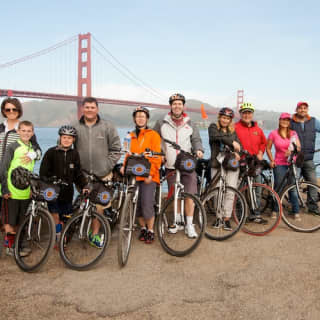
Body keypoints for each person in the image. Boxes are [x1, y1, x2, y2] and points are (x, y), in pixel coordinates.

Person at [73, 97, 121, 248]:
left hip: (103, 174)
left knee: (98, 206)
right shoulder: (75, 127)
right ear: (82, 109)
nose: (89, 110)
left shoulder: (108, 126)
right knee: (85, 202)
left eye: (92, 107)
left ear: (97, 109)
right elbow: (66, 146)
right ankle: (81, 229)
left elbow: (116, 149)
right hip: (83, 174)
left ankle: (94, 234)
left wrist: (107, 166)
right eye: (86, 107)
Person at [154, 93, 204, 238]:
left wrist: (199, 149)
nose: (177, 106)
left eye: (179, 104)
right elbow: (156, 141)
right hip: (170, 164)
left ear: (183, 106)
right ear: (171, 106)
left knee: (190, 194)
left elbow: (196, 140)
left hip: (187, 164)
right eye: (174, 103)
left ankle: (189, 224)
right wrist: (159, 154)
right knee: (174, 195)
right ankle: (176, 222)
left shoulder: (190, 123)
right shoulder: (161, 122)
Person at [39, 125, 88, 246]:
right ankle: (58, 238)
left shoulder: (74, 154)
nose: (66, 140)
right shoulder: (51, 152)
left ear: (73, 140)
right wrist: (50, 180)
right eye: (64, 137)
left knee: (65, 216)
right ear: (60, 138)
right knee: (55, 214)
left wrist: (84, 185)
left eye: (69, 138)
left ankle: (62, 234)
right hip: (53, 190)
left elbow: (78, 173)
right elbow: (43, 173)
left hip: (68, 190)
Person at [120, 107, 161, 244]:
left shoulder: (154, 135)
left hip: (149, 175)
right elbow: (127, 153)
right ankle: (142, 228)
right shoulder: (129, 135)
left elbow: (156, 157)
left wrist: (152, 173)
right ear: (134, 118)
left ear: (147, 118)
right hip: (134, 173)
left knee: (147, 202)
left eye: (143, 116)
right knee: (135, 204)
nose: (140, 118)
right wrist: (124, 166)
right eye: (137, 116)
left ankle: (150, 230)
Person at [0, 121, 38, 256]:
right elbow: (3, 168)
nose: (26, 133)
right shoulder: (12, 147)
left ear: (32, 133)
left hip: (25, 191)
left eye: (29, 131)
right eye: (23, 130)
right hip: (12, 191)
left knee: (21, 221)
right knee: (10, 221)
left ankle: (18, 246)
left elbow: (34, 163)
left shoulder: (33, 149)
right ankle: (10, 247)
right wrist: (4, 189)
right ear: (18, 132)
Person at [208, 107, 241, 230]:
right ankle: (218, 217)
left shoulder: (233, 131)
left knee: (230, 191)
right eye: (223, 117)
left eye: (228, 118)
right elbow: (216, 137)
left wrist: (238, 152)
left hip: (231, 164)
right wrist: (232, 143)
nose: (225, 120)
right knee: (217, 192)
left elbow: (239, 146)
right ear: (219, 117)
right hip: (217, 164)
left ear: (230, 120)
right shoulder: (213, 127)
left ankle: (226, 218)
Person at [235, 102, 267, 223]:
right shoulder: (235, 127)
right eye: (244, 113)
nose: (247, 115)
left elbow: (264, 143)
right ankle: (240, 214)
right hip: (241, 163)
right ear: (241, 114)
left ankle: (256, 214)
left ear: (252, 114)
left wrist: (260, 152)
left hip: (255, 163)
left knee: (257, 189)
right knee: (240, 190)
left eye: (249, 113)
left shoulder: (258, 129)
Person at [266, 113, 301, 219]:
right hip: (279, 164)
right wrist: (272, 160)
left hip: (292, 163)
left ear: (289, 122)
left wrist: (292, 151)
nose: (285, 121)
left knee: (293, 188)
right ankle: (275, 210)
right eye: (283, 119)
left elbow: (299, 148)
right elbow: (268, 148)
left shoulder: (294, 133)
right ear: (279, 120)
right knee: (279, 187)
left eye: (287, 120)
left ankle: (296, 211)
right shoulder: (273, 133)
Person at [290, 101, 320, 214]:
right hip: (296, 159)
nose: (302, 110)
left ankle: (312, 207)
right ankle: (295, 207)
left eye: (305, 108)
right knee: (293, 183)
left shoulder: (314, 121)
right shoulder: (291, 123)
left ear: (307, 109)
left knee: (312, 182)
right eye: (300, 108)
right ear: (296, 109)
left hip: (308, 158)